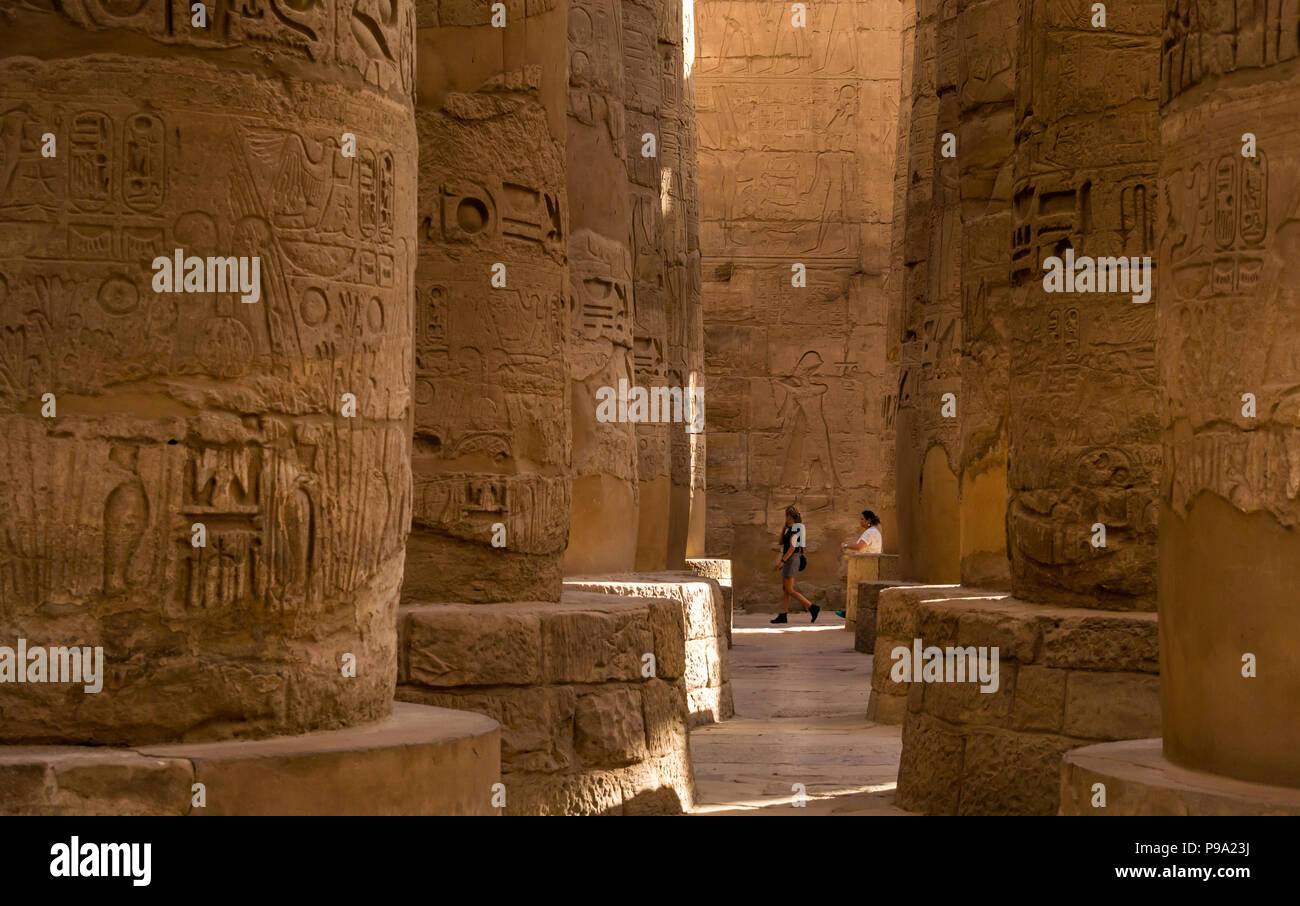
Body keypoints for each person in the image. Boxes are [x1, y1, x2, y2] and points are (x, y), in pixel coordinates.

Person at [771, 505, 819, 624]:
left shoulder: (796, 529)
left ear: (789, 516)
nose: (785, 518)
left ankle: (812, 607)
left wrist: (782, 561)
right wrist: (783, 529)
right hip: (789, 559)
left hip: (791, 559)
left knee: (789, 589)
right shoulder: (791, 528)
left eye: (786, 516)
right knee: (785, 589)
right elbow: (781, 542)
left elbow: (792, 548)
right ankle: (783, 615)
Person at [836, 511, 883, 617]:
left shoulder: (870, 532)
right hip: (871, 565)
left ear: (868, 520)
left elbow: (860, 547)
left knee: (859, 591)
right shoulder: (874, 531)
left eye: (862, 519)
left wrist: (846, 545)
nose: (860, 521)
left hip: (866, 566)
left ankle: (850, 613)